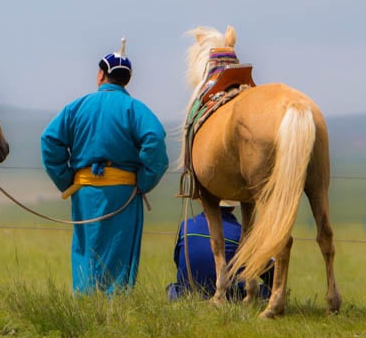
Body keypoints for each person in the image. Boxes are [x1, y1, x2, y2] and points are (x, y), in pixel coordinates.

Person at [41, 38, 169, 294]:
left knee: (86, 251)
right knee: (119, 254)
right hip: (123, 193)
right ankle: (115, 314)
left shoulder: (76, 107)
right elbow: (154, 140)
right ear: (127, 80)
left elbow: (50, 140)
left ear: (101, 75)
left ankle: (86, 307)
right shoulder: (134, 108)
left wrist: (66, 179)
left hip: (85, 193)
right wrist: (143, 181)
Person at [166, 200, 275, 301]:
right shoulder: (241, 233)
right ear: (232, 207)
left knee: (171, 288)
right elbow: (270, 274)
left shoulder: (186, 226)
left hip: (186, 292)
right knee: (270, 291)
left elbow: (178, 261)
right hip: (230, 295)